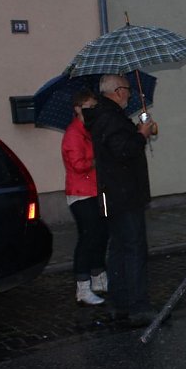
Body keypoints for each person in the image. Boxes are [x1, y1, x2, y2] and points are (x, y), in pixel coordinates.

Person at [83, 74, 157, 326]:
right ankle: (138, 306)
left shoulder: (104, 115)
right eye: (126, 89)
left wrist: (138, 131)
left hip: (113, 193)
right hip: (124, 194)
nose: (129, 94)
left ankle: (119, 302)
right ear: (116, 91)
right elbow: (123, 150)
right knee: (134, 249)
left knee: (118, 249)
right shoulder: (110, 116)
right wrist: (141, 135)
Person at [61, 89, 108, 306]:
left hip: (96, 191)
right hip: (80, 194)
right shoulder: (73, 133)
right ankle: (83, 286)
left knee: (101, 235)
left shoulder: (90, 130)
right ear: (77, 108)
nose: (92, 110)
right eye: (88, 106)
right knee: (88, 238)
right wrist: (98, 159)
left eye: (94, 106)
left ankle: (99, 279)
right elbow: (78, 165)